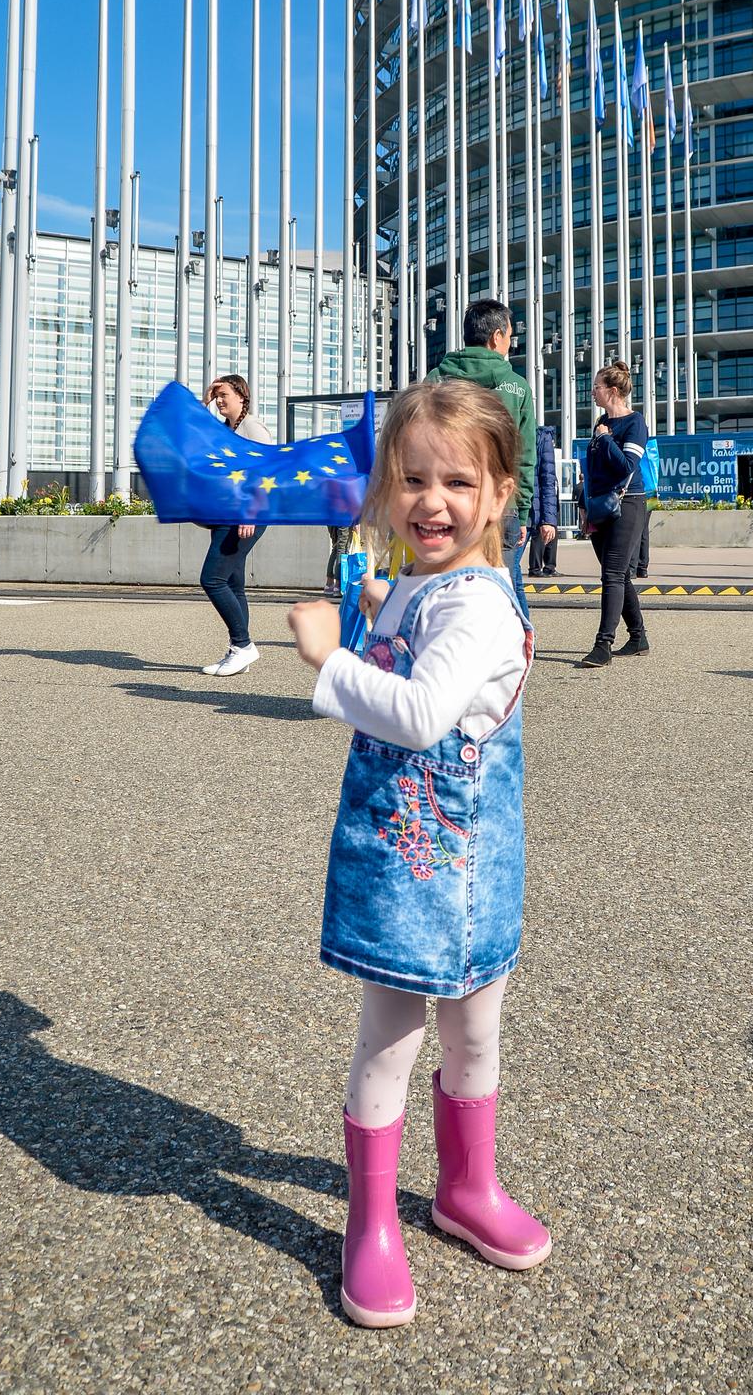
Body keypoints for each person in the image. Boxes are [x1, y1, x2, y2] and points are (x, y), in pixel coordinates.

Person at [286, 380, 548, 1329]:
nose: (431, 501)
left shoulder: (475, 603)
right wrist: (374, 605)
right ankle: (372, 1223)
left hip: (467, 862)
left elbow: (422, 713)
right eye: (411, 478)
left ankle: (466, 1188)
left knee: (474, 1034)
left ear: (500, 490)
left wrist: (330, 658)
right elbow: (410, 654)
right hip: (404, 863)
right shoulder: (416, 584)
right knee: (391, 1040)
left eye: (457, 481)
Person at [426, 300, 536, 621]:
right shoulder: (517, 388)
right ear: (496, 337)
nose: (510, 343)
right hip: (501, 503)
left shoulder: (437, 379)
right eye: (509, 336)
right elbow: (524, 455)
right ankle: (518, 643)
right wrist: (524, 508)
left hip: (447, 501)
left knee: (449, 579)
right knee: (505, 578)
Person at [576, 361, 651, 667]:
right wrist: (584, 506)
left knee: (612, 574)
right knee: (618, 574)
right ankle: (638, 637)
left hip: (628, 503)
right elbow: (592, 470)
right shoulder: (600, 421)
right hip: (600, 506)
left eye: (596, 387)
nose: (592, 392)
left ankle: (603, 644)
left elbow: (626, 467)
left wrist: (606, 439)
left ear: (613, 390)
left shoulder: (635, 423)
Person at [198, 375, 271, 676]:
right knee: (233, 584)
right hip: (225, 514)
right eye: (216, 397)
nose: (219, 400)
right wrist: (203, 403)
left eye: (224, 394)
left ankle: (244, 646)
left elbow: (267, 470)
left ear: (242, 395)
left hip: (245, 514)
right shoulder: (227, 429)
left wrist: (250, 513)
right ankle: (238, 652)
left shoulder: (252, 427)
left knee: (212, 579)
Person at [527, 425, 559, 578]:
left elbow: (547, 481)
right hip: (532, 509)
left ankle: (546, 567)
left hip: (536, 509)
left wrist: (548, 520)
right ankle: (536, 568)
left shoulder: (541, 438)